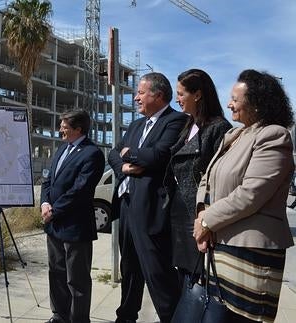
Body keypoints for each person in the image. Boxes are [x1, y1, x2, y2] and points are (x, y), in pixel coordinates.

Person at [194, 69, 294, 323]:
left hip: (249, 253)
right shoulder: (235, 135)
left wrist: (207, 221)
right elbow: (207, 178)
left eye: (235, 99)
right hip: (221, 246)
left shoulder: (273, 135)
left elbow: (251, 194)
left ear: (257, 103)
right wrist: (201, 219)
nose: (229, 103)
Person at [108, 72, 187, 323]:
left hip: (151, 209)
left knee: (157, 271)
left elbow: (158, 156)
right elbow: (113, 153)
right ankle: (126, 316)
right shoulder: (135, 125)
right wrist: (124, 166)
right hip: (127, 206)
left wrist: (129, 153)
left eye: (141, 92)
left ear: (158, 94)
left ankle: (171, 317)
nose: (136, 97)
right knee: (129, 269)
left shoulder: (177, 121)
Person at [166, 69, 231, 287]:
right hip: (178, 213)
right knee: (184, 277)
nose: (177, 99)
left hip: (197, 215)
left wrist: (208, 220)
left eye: (181, 93)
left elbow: (221, 179)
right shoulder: (188, 126)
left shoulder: (219, 127)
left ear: (198, 95)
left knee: (198, 281)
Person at [40, 109, 105, 323]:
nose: (60, 130)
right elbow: (48, 180)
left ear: (78, 129)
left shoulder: (92, 154)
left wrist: (55, 211)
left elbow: (80, 190)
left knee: (77, 280)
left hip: (75, 227)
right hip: (55, 226)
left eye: (64, 126)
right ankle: (59, 315)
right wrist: (44, 203)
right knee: (56, 273)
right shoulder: (62, 149)